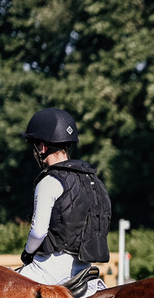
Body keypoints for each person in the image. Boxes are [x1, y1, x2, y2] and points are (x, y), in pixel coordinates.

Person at [19, 108, 112, 286]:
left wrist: (27, 252)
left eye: (34, 146)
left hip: (49, 270)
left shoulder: (49, 181)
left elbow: (38, 232)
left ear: (42, 147)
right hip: (87, 273)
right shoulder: (94, 180)